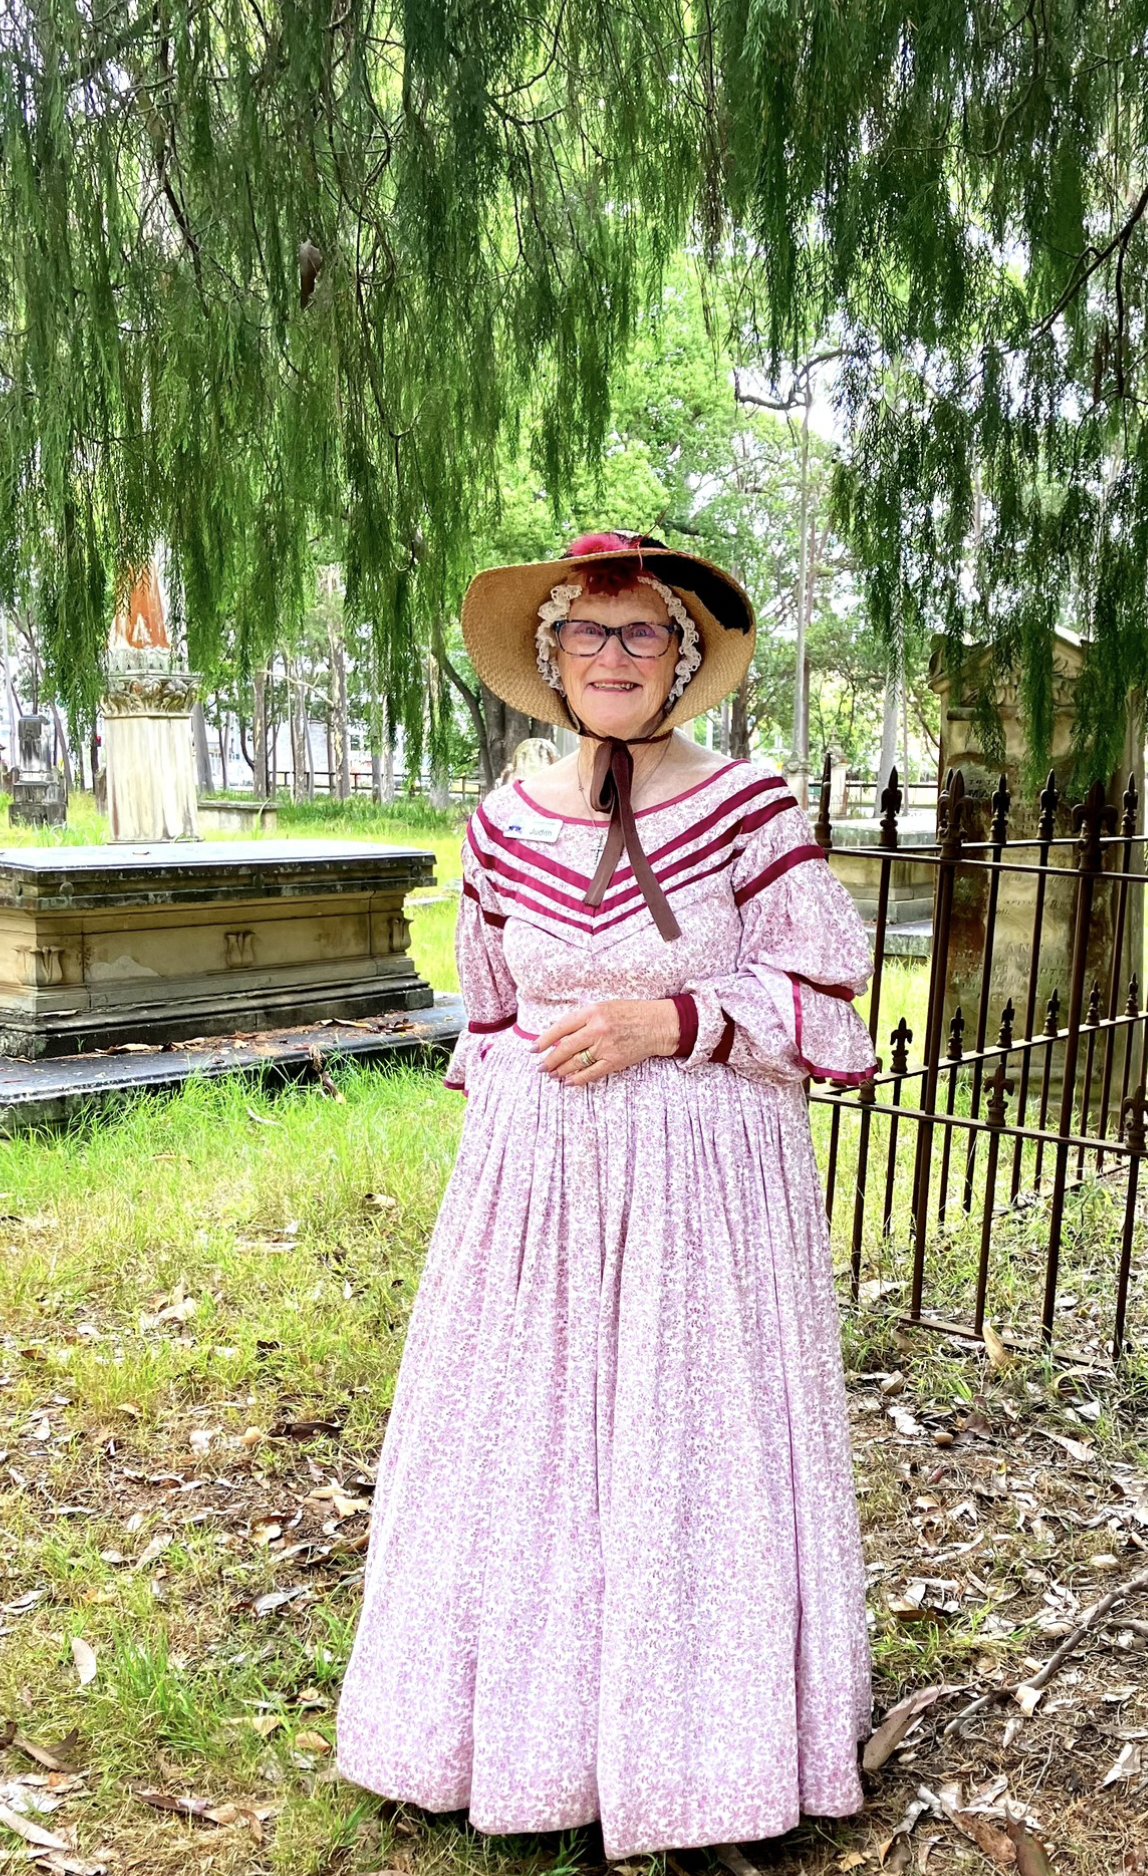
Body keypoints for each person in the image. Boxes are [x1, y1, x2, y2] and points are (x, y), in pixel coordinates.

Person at [337, 531, 876, 1857]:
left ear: (683, 659)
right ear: (551, 656)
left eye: (644, 637)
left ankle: (703, 1754)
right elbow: (499, 1004)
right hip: (540, 1186)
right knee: (532, 1428)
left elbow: (826, 985)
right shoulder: (506, 824)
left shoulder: (748, 808)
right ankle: (510, 1733)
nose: (616, 657)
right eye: (592, 634)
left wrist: (667, 1019)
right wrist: (554, 1063)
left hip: (701, 1182)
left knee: (686, 1428)